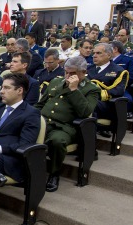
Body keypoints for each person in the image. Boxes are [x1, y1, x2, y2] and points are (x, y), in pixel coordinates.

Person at [35, 56, 100, 192]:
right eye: (66, 72)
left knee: (57, 141)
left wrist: (74, 90)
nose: (68, 76)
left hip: (65, 127)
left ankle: (54, 174)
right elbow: (41, 104)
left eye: (73, 73)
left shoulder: (91, 89)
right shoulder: (55, 82)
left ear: (83, 72)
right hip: (44, 122)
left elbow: (85, 112)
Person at [0, 73, 41, 182]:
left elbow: (25, 143)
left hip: (8, 157)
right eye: (2, 87)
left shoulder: (31, 113)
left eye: (7, 88)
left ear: (19, 90)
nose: (1, 91)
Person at [87, 43, 129, 120]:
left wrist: (96, 95)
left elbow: (118, 90)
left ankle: (89, 129)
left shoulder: (118, 71)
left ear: (109, 55)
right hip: (87, 98)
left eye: (98, 53)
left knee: (87, 104)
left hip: (105, 102)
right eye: (94, 53)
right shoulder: (87, 69)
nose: (94, 56)